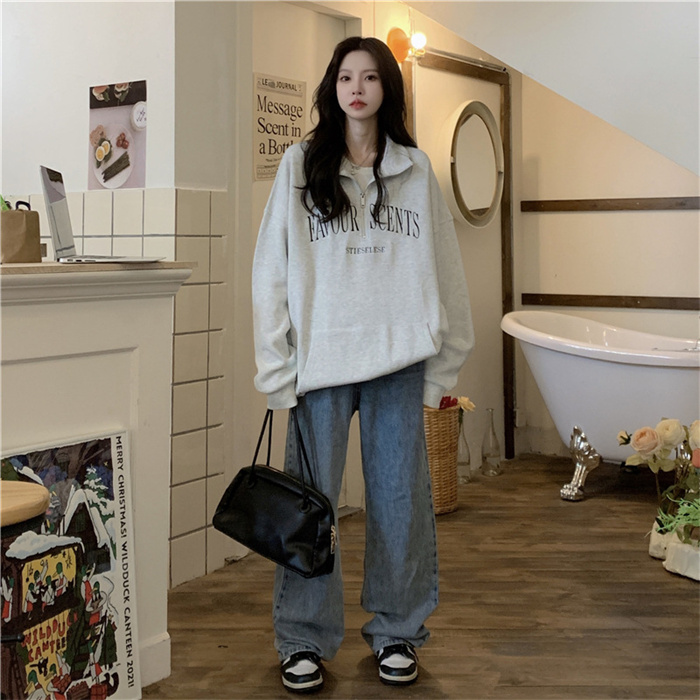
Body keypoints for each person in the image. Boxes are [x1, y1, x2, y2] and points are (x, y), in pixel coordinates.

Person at [252, 36, 474, 693]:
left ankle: (398, 629)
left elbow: (447, 274)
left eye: (371, 77)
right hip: (320, 364)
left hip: (398, 362)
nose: (357, 88)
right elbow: (271, 270)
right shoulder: (300, 165)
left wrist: (442, 370)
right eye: (347, 76)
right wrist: (276, 370)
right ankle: (303, 637)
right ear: (333, 86)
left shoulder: (416, 169)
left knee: (402, 504)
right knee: (308, 508)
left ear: (387, 89)